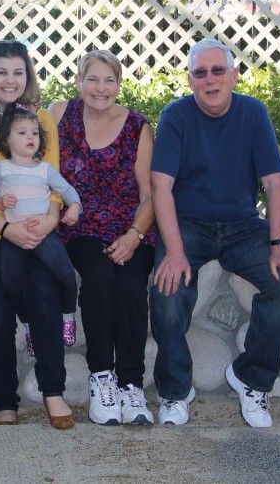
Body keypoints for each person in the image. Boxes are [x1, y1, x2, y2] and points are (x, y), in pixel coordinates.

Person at [150, 38, 280, 429]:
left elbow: (274, 182)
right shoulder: (175, 116)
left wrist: (279, 246)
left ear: (234, 76)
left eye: (218, 70)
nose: (210, 79)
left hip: (241, 225)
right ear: (190, 80)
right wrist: (174, 251)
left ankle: (251, 378)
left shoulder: (253, 113)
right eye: (200, 73)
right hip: (188, 224)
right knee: (167, 290)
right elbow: (161, 187)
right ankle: (174, 390)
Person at [0, 39, 74, 430]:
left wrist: (52, 218)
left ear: (28, 76)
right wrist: (5, 227)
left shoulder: (42, 119)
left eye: (18, 72)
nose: (10, 80)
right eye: (1, 72)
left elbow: (53, 178)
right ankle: (5, 401)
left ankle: (53, 392)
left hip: (34, 226)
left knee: (44, 295)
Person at [48, 49, 157, 427]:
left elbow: (149, 193)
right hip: (80, 224)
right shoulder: (59, 114)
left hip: (131, 225)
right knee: (98, 275)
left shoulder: (138, 127)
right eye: (92, 79)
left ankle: (131, 384)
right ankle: (101, 378)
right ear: (78, 81)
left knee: (130, 284)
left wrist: (134, 235)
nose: (100, 88)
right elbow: (37, 167)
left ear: (119, 84)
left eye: (109, 80)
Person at [0, 103, 82, 347]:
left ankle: (68, 314)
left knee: (65, 273)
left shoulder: (44, 169)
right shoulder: (0, 169)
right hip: (14, 235)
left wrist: (74, 206)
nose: (30, 137)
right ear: (6, 139)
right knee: (10, 282)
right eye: (22, 132)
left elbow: (66, 190)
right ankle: (28, 324)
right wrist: (2, 202)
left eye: (34, 133)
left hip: (44, 234)